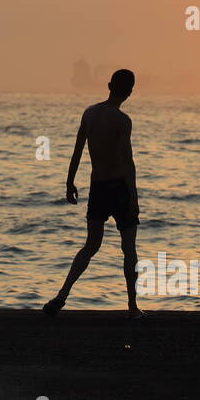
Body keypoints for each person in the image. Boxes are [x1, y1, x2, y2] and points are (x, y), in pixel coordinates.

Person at [43, 68, 142, 318]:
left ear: (109, 85)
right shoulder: (122, 121)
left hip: (98, 186)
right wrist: (134, 197)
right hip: (119, 187)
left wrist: (69, 182)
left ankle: (61, 296)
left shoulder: (90, 113)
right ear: (129, 92)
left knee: (90, 246)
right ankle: (132, 307)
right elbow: (127, 161)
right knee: (128, 248)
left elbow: (77, 150)